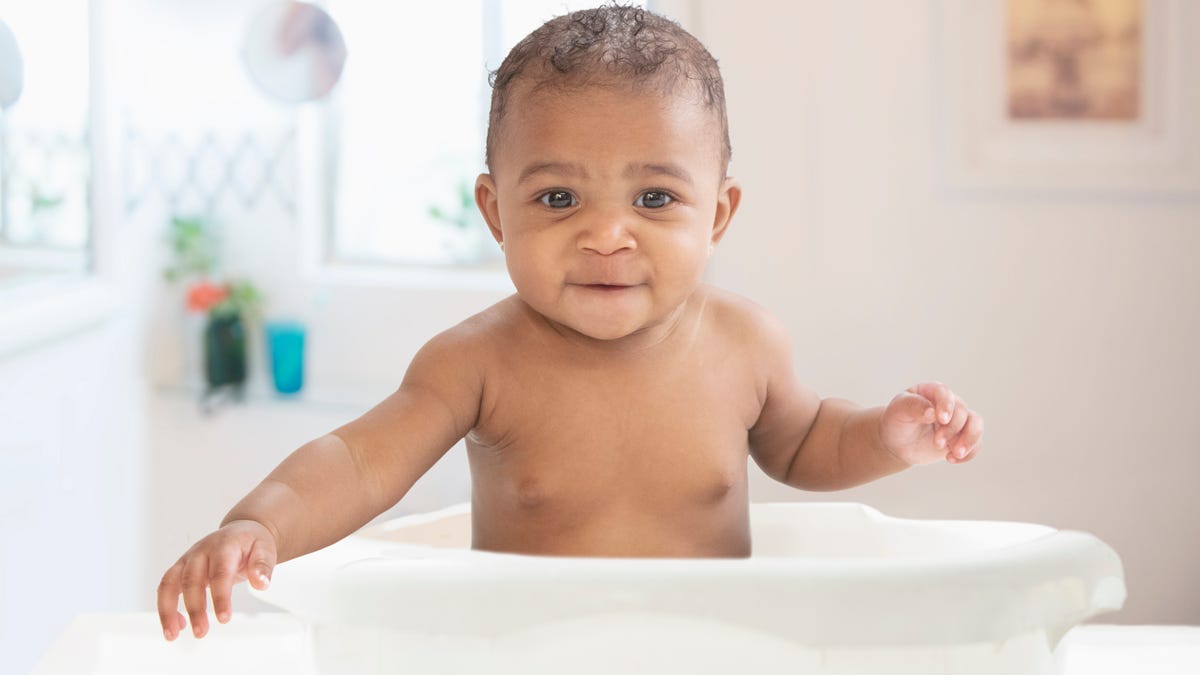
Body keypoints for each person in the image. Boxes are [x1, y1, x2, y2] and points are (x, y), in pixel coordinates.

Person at [158, 4, 983, 641]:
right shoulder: (477, 362)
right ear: (494, 211)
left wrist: (888, 435)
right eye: (558, 198)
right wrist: (257, 522)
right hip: (529, 654)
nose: (606, 233)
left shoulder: (746, 343)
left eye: (655, 198)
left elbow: (808, 445)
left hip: (709, 651)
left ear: (719, 214)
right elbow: (356, 461)